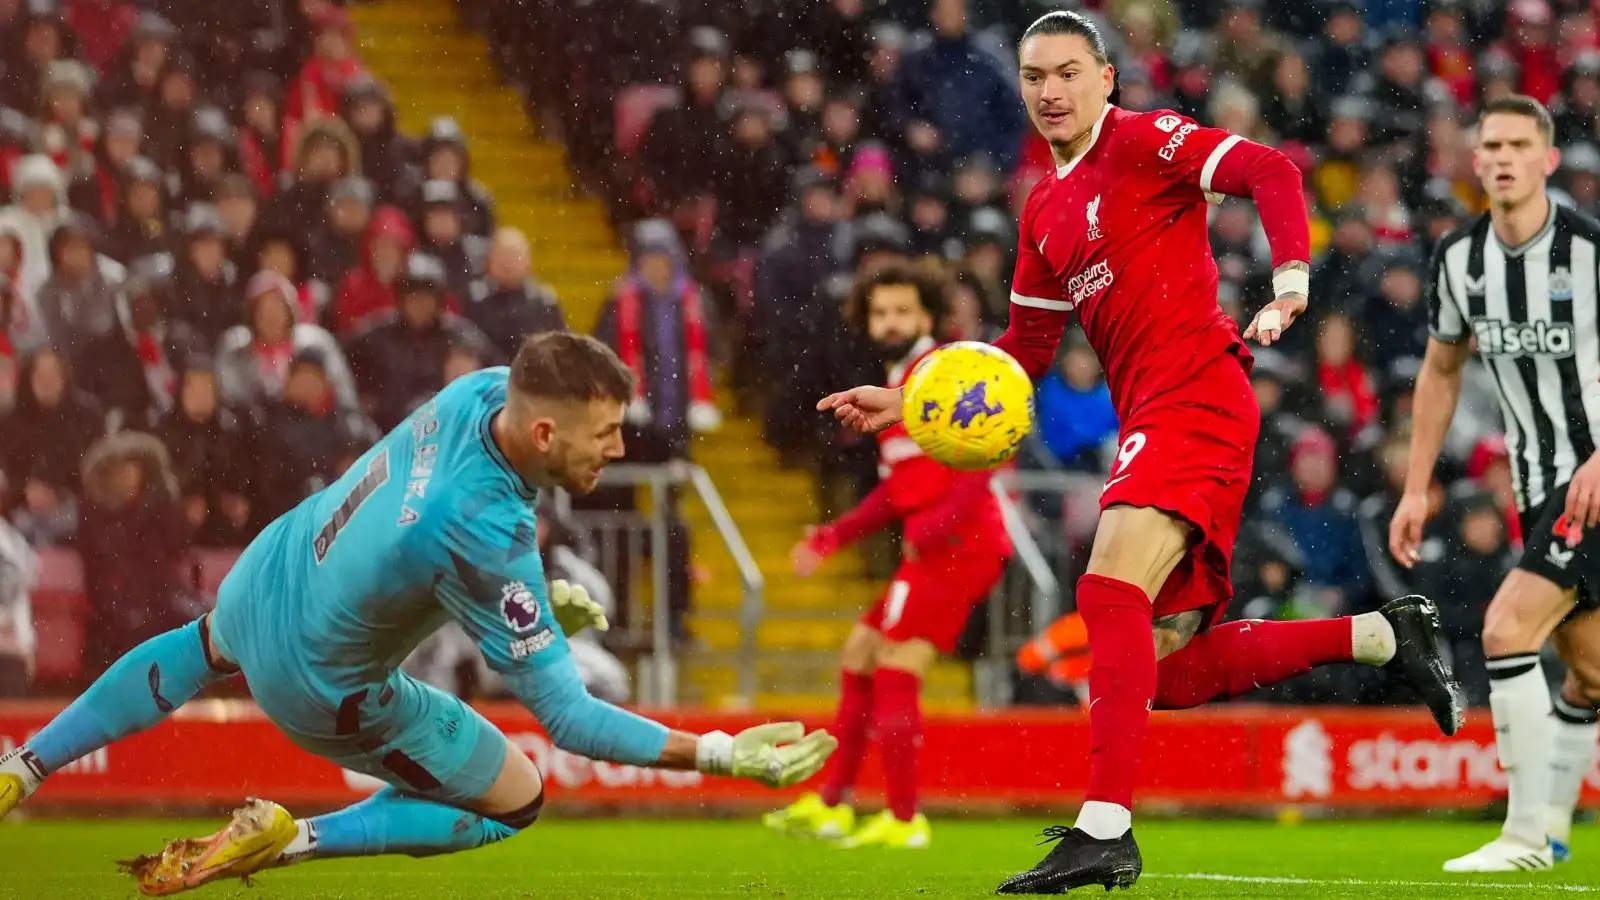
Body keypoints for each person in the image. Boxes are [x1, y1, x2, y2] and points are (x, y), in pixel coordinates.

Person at [817, 13, 1461, 893]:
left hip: (1197, 389)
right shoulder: (1042, 211)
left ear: (1107, 78)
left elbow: (1268, 169)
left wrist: (1291, 281)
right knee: (1160, 670)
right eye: (1036, 76)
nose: (1051, 91)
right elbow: (1022, 357)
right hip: (1154, 414)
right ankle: (1384, 634)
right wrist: (909, 398)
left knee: (1105, 588)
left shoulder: (1145, 139)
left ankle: (1105, 827)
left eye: (1069, 73)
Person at [0, 332, 836, 894]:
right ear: (545, 432)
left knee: (197, 647)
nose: (618, 450)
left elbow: (416, 558)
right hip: (322, 689)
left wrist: (532, 615)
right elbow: (570, 718)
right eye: (607, 434)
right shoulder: (487, 533)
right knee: (518, 800)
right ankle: (292, 840)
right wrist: (722, 752)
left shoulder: (478, 394)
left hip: (271, 573)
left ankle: (25, 767)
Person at [1390, 95, 1600, 873]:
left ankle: (1525, 837)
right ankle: (1551, 830)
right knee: (1589, 672)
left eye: (1521, 144)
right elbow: (1442, 370)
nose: (1505, 158)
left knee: (1508, 627)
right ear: (1475, 163)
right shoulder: (1458, 259)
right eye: (1492, 146)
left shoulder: (1588, 249)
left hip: (1594, 482)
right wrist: (1416, 488)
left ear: (1549, 160)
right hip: (1538, 486)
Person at [764, 262, 1010, 849]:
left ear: (926, 316)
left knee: (898, 666)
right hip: (935, 546)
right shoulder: (901, 384)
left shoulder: (942, 371)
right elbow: (899, 490)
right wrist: (834, 536)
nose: (890, 321)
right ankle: (835, 806)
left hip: (959, 547)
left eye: (902, 310)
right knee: (862, 652)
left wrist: (937, 528)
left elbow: (991, 452)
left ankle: (904, 819)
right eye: (880, 312)